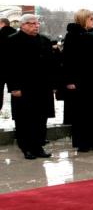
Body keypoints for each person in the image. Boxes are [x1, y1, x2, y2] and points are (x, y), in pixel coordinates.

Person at [5, 14, 58, 159]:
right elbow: (9, 67)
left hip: (42, 87)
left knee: (41, 119)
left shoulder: (44, 40)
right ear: (22, 25)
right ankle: (26, 147)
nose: (36, 26)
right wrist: (14, 87)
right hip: (23, 88)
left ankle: (38, 146)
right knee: (25, 119)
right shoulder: (12, 41)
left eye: (37, 23)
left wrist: (53, 84)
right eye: (32, 23)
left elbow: (51, 64)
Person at [62, 9, 93, 152]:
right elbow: (67, 60)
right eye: (91, 18)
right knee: (81, 114)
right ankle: (83, 143)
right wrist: (69, 81)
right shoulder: (72, 36)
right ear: (83, 19)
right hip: (80, 82)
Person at [0, 18, 17, 110]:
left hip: (1, 68)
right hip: (15, 68)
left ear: (2, 24)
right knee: (16, 91)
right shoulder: (17, 35)